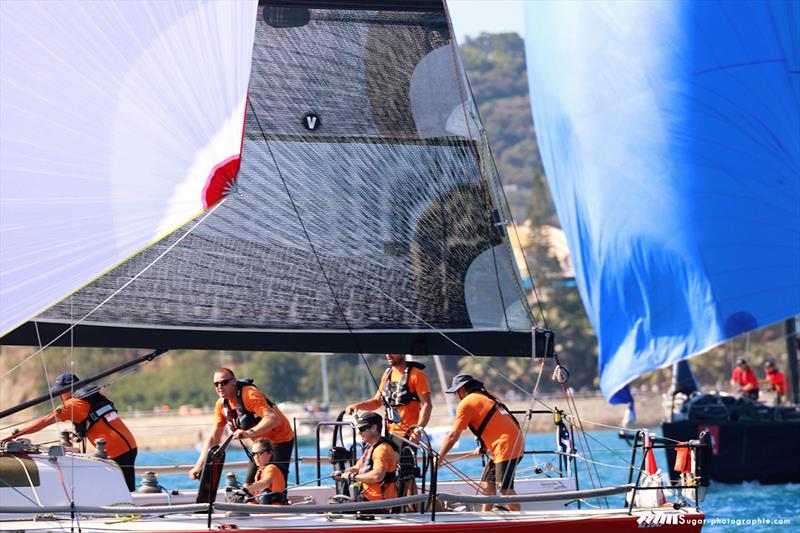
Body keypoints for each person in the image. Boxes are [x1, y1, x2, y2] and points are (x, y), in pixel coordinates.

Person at [2, 373, 138, 491]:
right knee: (125, 487)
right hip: (130, 446)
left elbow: (41, 424)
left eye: (61, 391)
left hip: (116, 450)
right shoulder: (90, 398)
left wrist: (12, 436)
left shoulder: (73, 405)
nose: (59, 395)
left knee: (113, 488)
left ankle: (123, 513)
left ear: (70, 389)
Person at [189, 368, 294, 484]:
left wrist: (249, 432)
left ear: (234, 381)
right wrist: (199, 465)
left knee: (273, 482)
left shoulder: (250, 394)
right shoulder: (220, 405)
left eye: (224, 382)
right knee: (249, 485)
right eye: (216, 384)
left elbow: (273, 419)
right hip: (259, 443)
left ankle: (277, 499)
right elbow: (214, 438)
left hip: (280, 438)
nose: (220, 386)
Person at [437, 374, 523, 511]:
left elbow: (453, 435)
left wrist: (439, 457)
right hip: (512, 441)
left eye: (455, 392)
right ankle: (486, 516)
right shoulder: (487, 395)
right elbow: (492, 421)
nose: (455, 396)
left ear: (462, 389)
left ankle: (520, 521)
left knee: (505, 489)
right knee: (487, 484)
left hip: (505, 446)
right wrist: (483, 446)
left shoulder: (466, 403)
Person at [345, 353, 432, 442]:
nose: (388, 355)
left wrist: (418, 429)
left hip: (408, 435)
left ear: (402, 353)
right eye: (387, 352)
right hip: (388, 433)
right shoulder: (387, 375)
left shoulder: (417, 375)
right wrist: (357, 406)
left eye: (392, 352)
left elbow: (427, 405)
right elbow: (377, 402)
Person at [332, 412, 398, 509]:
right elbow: (357, 468)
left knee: (336, 511)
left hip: (379, 505)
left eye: (362, 429)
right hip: (366, 500)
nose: (359, 433)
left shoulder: (382, 449)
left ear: (374, 428)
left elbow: (377, 476)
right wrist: (342, 473)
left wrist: (351, 476)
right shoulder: (371, 447)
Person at [243, 438, 287, 505]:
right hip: (265, 510)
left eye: (260, 453)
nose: (256, 457)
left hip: (276, 512)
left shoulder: (271, 468)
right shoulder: (259, 471)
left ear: (270, 453)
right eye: (253, 454)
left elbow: (266, 482)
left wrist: (245, 490)